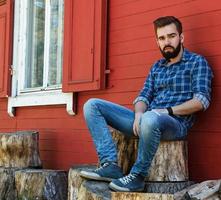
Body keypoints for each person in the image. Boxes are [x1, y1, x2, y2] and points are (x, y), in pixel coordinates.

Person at [79, 16, 213, 192]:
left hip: (175, 124)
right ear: (157, 41)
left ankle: (138, 176)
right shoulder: (157, 67)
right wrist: (139, 114)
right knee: (92, 105)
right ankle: (110, 165)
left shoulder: (197, 62)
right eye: (162, 38)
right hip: (146, 121)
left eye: (171, 36)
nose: (167, 42)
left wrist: (164, 111)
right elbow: (143, 97)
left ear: (181, 37)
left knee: (151, 117)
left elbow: (201, 101)